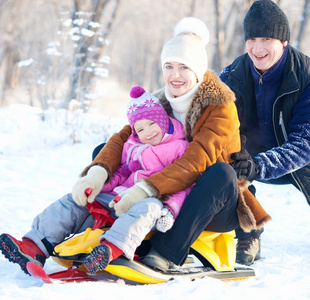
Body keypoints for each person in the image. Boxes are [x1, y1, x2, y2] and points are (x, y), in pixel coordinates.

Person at [75, 17, 271, 272]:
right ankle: (108, 232)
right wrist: (98, 171)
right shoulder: (160, 100)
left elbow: (197, 161)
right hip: (166, 192)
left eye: (184, 67)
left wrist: (146, 188)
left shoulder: (220, 106)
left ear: (198, 71)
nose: (175, 75)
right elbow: (124, 136)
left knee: (220, 173)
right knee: (105, 153)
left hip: (213, 202)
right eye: (169, 66)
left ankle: (166, 251)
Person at [0, 85, 191, 275]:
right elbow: (121, 172)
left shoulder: (179, 148)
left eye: (152, 124)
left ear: (163, 121)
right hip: (117, 199)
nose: (147, 132)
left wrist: (171, 210)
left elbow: (182, 183)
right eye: (140, 129)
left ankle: (110, 249)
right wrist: (100, 187)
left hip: (149, 200)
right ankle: (34, 246)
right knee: (72, 202)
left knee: (150, 207)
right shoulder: (133, 145)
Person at [219, 0, 310, 266]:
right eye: (252, 39)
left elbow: (305, 142)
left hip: (300, 158)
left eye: (267, 38)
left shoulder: (306, 76)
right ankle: (249, 234)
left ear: (283, 42)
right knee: (218, 162)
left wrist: (260, 165)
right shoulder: (232, 75)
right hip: (248, 154)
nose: (258, 48)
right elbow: (215, 127)